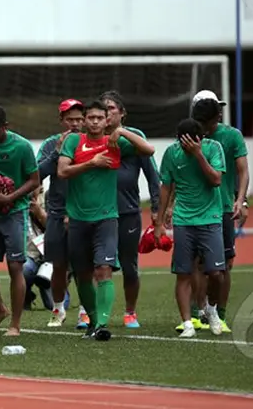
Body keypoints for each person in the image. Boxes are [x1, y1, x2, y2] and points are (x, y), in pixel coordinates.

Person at [57, 100, 155, 341]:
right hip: (78, 219)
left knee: (104, 270)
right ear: (84, 120)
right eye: (90, 117)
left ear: (106, 120)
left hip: (107, 218)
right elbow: (62, 171)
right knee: (83, 273)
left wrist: (121, 132)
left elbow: (149, 150)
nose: (94, 122)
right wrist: (91, 163)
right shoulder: (73, 141)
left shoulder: (115, 141)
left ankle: (101, 323)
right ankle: (91, 319)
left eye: (100, 118)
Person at [154, 117, 226, 338]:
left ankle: (211, 310)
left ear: (200, 139)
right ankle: (187, 323)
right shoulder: (171, 153)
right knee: (183, 273)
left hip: (211, 218)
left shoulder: (213, 149)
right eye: (184, 144)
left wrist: (198, 154)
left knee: (216, 273)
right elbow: (166, 186)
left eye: (193, 143)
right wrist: (159, 223)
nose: (187, 147)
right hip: (184, 220)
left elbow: (216, 180)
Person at [0, 103, 40, 337]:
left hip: (15, 213)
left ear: (6, 126)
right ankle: (0, 308)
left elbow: (34, 180)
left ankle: (15, 323)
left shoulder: (22, 146)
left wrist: (9, 197)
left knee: (15, 267)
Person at [186, 90, 248, 334]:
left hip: (222, 208)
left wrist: (241, 201)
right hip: (195, 209)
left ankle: (219, 313)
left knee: (224, 265)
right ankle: (197, 311)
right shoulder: (187, 134)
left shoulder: (232, 136)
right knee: (197, 264)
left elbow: (243, 170)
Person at [102, 90, 161, 329]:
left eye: (111, 109)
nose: (106, 114)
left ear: (122, 113)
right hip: (98, 213)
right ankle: (90, 312)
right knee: (97, 264)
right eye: (102, 110)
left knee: (129, 266)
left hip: (127, 212)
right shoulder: (91, 137)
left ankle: (130, 312)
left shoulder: (135, 137)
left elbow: (151, 172)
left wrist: (157, 207)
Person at [36, 99, 84, 328]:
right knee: (58, 265)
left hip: (85, 212)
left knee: (87, 265)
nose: (75, 124)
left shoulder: (90, 142)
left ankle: (85, 310)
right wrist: (56, 154)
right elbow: (37, 175)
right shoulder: (49, 144)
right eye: (70, 120)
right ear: (61, 120)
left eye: (78, 119)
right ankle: (58, 308)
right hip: (56, 211)